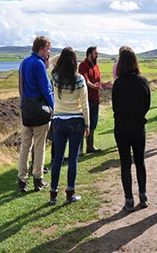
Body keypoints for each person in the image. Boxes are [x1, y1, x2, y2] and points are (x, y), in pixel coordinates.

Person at [112, 46, 151, 212]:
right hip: (137, 125)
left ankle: (129, 199)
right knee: (140, 161)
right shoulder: (142, 81)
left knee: (125, 163)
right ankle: (143, 195)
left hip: (121, 126)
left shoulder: (118, 83)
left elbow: (115, 106)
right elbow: (147, 103)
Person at [50, 47, 90, 204]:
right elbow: (85, 104)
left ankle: (53, 194)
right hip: (76, 121)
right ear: (75, 62)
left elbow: (52, 61)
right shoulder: (79, 79)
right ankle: (70, 193)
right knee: (73, 158)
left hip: (59, 120)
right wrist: (87, 124)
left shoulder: (55, 77)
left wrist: (65, 56)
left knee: (57, 159)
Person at [18, 36, 54, 192]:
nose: (49, 51)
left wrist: (22, 103)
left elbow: (21, 86)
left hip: (26, 108)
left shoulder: (24, 62)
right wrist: (53, 107)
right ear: (41, 48)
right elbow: (46, 89)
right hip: (39, 110)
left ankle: (22, 180)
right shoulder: (38, 64)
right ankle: (38, 179)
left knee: (25, 146)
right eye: (47, 49)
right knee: (39, 146)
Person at [78, 46, 112, 153]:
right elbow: (85, 81)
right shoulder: (83, 65)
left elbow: (98, 81)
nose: (97, 55)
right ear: (89, 54)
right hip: (86, 99)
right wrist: (94, 86)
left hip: (95, 99)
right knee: (84, 123)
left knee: (93, 123)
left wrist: (105, 84)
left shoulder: (96, 66)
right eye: (95, 53)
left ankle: (90, 146)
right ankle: (80, 150)